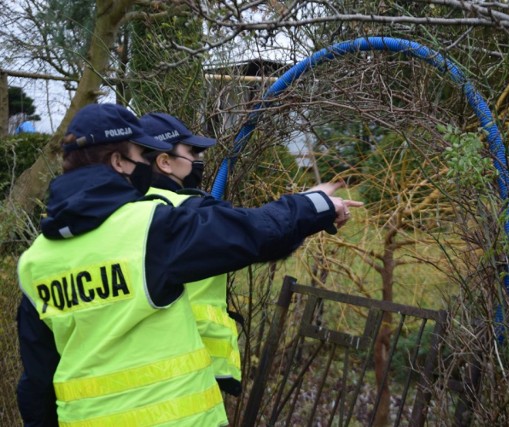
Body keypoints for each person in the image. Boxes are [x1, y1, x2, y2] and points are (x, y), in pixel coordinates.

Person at [16, 103, 361, 427]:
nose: (147, 165)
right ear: (119, 162)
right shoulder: (149, 228)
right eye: (142, 156)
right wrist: (314, 205)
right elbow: (248, 232)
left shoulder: (36, 260)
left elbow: (37, 381)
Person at [140, 112, 243, 397]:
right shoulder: (194, 211)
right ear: (164, 161)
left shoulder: (124, 211)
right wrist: (313, 207)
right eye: (193, 152)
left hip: (145, 367)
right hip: (196, 364)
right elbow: (260, 236)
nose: (200, 159)